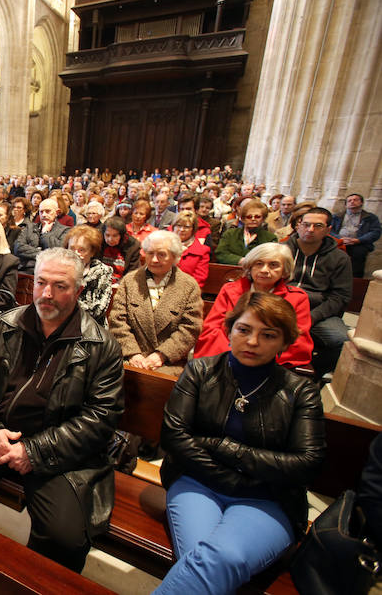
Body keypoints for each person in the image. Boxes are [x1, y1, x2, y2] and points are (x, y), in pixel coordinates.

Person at [0, 247, 125, 572]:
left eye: (60, 286)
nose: (47, 293)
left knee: (64, 538)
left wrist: (34, 450)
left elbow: (100, 418)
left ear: (79, 291)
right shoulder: (8, 324)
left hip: (56, 453)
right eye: (42, 282)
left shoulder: (101, 345)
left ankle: (27, 580)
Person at [156, 292, 325, 595]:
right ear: (229, 330)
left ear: (285, 342)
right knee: (209, 564)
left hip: (267, 499)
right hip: (196, 483)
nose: (252, 342)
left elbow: (306, 464)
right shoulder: (201, 371)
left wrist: (226, 449)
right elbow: (174, 436)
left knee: (220, 558)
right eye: (244, 330)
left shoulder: (301, 392)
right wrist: (231, 477)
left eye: (268, 335)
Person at [194, 243, 313, 368]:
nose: (264, 270)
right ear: (250, 267)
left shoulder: (297, 298)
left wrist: (256, 358)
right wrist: (234, 356)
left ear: (284, 271)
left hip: (269, 366)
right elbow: (211, 330)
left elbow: (298, 342)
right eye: (259, 263)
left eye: (273, 265)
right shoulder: (230, 290)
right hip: (226, 359)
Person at [109, 230, 203, 375]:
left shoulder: (189, 286)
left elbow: (190, 328)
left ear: (174, 256)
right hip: (129, 356)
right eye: (150, 253)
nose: (154, 260)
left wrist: (161, 355)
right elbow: (117, 321)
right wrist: (133, 353)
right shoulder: (130, 281)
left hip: (169, 361)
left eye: (161, 254)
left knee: (159, 385)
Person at [285, 207, 353, 380]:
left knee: (343, 342)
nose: (310, 230)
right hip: (281, 306)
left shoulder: (339, 258)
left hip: (316, 311)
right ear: (298, 226)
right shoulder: (281, 249)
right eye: (306, 224)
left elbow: (340, 296)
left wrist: (312, 317)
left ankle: (307, 378)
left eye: (318, 226)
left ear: (328, 230)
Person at [63, 225, 113, 325]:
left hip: (90, 327)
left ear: (92, 252)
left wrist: (65, 305)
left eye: (82, 250)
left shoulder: (103, 271)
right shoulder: (58, 269)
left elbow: (98, 310)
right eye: (72, 249)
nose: (76, 254)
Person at [331, 193, 381, 278]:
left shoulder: (370, 217)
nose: (352, 202)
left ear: (361, 203)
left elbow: (375, 232)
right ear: (346, 204)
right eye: (349, 201)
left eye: (355, 200)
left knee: (358, 257)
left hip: (359, 244)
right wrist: (340, 239)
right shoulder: (337, 216)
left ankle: (355, 280)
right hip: (339, 242)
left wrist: (359, 240)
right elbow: (329, 230)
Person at [14, 198, 69, 272]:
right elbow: (18, 247)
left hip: (51, 271)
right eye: (41, 212)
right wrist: (44, 253)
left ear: (57, 212)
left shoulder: (65, 230)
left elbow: (58, 253)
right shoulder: (30, 227)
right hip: (27, 270)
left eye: (48, 211)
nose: (44, 215)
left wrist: (45, 233)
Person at [215, 200, 276, 264]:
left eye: (257, 217)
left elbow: (271, 258)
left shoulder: (270, 238)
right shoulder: (230, 234)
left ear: (263, 219)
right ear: (243, 219)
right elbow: (221, 253)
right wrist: (240, 260)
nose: (253, 219)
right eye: (249, 217)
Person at [173, 211, 211, 287]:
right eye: (178, 225)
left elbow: (198, 280)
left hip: (187, 292)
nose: (181, 229)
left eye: (186, 227)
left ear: (193, 229)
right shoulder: (163, 246)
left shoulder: (202, 251)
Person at [100, 216, 141, 283]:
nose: (110, 239)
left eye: (115, 236)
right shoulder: (99, 242)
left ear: (122, 236)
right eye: (107, 235)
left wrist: (119, 285)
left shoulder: (133, 246)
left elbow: (132, 273)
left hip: (122, 283)